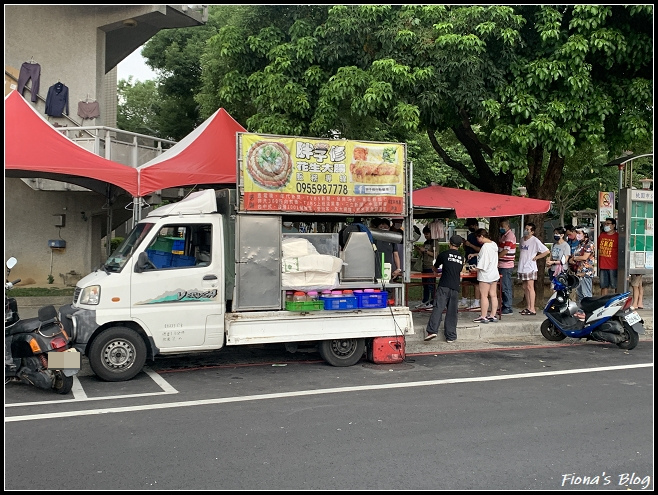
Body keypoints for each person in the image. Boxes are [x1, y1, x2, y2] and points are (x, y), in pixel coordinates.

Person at [424, 235, 465, 342]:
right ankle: (451, 336)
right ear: (460, 245)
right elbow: (459, 269)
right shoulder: (461, 257)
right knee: (452, 312)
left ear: (449, 243)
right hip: (455, 287)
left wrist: (436, 270)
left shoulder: (444, 254)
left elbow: (435, 267)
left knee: (438, 308)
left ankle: (432, 331)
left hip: (444, 285)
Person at [517, 222, 550, 315]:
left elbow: (546, 251)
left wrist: (537, 257)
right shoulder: (522, 240)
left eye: (528, 230)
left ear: (532, 232)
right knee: (524, 287)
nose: (526, 231)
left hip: (530, 267)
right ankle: (528, 306)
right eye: (525, 229)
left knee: (530, 286)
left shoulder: (535, 240)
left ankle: (532, 308)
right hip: (522, 266)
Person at [468, 228, 499, 323]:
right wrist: (475, 254)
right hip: (494, 273)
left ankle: (483, 316)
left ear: (481, 236)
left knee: (484, 295)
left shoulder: (485, 246)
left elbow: (483, 262)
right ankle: (493, 315)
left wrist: (475, 269)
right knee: (493, 295)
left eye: (478, 238)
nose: (478, 240)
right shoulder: (493, 244)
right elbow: (487, 255)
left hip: (485, 275)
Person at [568, 226, 595, 303]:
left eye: (579, 233)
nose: (577, 234)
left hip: (586, 273)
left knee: (586, 294)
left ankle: (588, 311)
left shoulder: (589, 244)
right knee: (579, 294)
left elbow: (584, 257)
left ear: (585, 234)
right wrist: (571, 260)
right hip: (578, 272)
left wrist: (574, 258)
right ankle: (581, 311)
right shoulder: (580, 244)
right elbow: (573, 256)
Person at [497, 217, 516, 315]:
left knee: (506, 286)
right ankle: (504, 304)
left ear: (508, 226)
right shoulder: (503, 235)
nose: (501, 228)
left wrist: (496, 258)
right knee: (501, 286)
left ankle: (508, 306)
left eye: (503, 226)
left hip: (506, 265)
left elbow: (505, 251)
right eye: (500, 226)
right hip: (501, 264)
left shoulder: (510, 236)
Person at [462, 218, 482, 309]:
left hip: (476, 262)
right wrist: (465, 245)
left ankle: (476, 302)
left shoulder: (481, 236)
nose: (469, 228)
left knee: (476, 283)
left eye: (470, 226)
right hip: (468, 262)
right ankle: (464, 301)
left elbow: (482, 250)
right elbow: (467, 249)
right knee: (465, 281)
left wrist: (470, 245)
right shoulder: (470, 236)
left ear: (474, 225)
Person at [414, 226, 435, 308]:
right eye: (425, 235)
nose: (426, 236)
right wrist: (419, 250)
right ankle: (425, 301)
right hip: (424, 266)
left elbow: (435, 254)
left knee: (431, 285)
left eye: (427, 234)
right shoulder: (426, 242)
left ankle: (433, 302)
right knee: (425, 285)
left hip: (431, 266)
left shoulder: (434, 243)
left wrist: (425, 251)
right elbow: (422, 254)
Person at [598, 218, 619, 295]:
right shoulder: (602, 235)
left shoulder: (617, 236)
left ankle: (616, 302)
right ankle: (603, 302)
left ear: (613, 225)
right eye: (605, 224)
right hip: (603, 265)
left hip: (613, 266)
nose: (606, 225)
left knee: (615, 285)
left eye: (608, 224)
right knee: (603, 286)